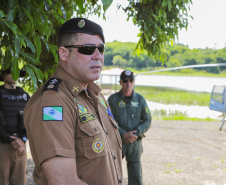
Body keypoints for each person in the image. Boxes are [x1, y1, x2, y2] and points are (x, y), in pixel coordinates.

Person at [24, 18, 123, 185]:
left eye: (101, 48)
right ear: (64, 54)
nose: (98, 56)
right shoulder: (53, 101)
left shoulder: (96, 96)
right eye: (88, 49)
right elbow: (63, 181)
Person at [108, 70, 152, 185]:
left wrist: (137, 132)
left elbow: (147, 120)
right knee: (113, 171)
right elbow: (108, 120)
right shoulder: (113, 100)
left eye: (131, 80)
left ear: (134, 82)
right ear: (120, 82)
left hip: (135, 142)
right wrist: (123, 134)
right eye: (125, 80)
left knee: (135, 174)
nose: (128, 83)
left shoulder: (140, 99)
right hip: (118, 141)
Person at [0, 67, 29, 185]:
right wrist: (8, 139)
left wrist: (23, 140)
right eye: (10, 72)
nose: (14, 74)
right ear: (3, 75)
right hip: (2, 144)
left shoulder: (25, 95)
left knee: (20, 181)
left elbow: (30, 120)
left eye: (17, 72)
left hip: (21, 147)